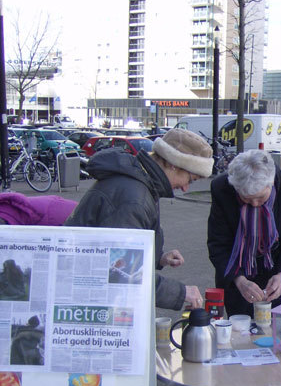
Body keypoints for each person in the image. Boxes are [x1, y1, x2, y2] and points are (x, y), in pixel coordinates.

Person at [65, 128, 212, 310]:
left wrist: (159, 257)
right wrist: (181, 292)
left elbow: (120, 248)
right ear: (174, 164)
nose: (185, 188)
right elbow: (121, 272)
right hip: (92, 301)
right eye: (190, 179)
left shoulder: (138, 182)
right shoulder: (133, 197)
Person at [207, 149, 281, 317]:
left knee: (278, 327)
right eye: (246, 198)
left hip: (276, 267)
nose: (254, 204)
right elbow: (218, 243)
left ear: (271, 183)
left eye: (261, 198)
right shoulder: (221, 188)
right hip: (236, 268)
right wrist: (238, 280)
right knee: (241, 329)